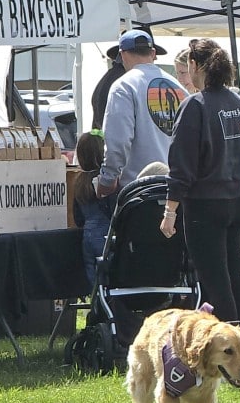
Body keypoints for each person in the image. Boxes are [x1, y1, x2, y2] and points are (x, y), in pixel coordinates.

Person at [161, 38, 240, 330]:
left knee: (215, 282)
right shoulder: (238, 101)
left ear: (194, 65)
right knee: (234, 276)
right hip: (236, 199)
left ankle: (230, 348)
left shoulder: (195, 105)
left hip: (205, 204)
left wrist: (169, 211)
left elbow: (181, 164)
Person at [96, 29, 187, 198]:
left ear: (122, 54)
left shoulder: (123, 86)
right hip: (176, 187)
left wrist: (107, 180)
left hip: (138, 190)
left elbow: (118, 141)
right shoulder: (179, 88)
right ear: (153, 53)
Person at [91, 25, 167, 129]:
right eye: (148, 56)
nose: (155, 59)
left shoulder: (115, 78)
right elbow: (118, 136)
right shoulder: (125, 84)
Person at [72, 130, 112, 288]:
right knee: (111, 275)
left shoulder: (79, 182)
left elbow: (78, 217)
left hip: (88, 234)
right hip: (106, 234)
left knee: (94, 280)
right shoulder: (106, 181)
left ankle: (96, 304)